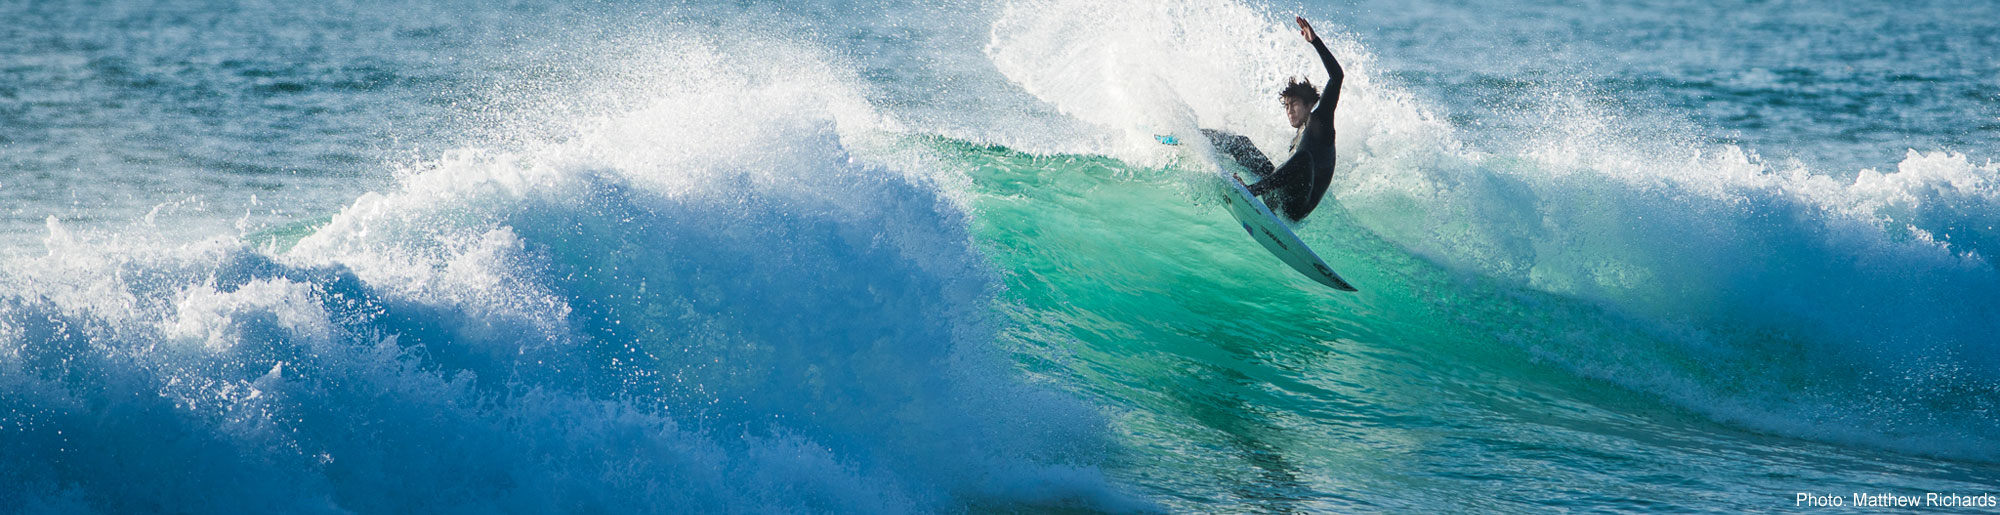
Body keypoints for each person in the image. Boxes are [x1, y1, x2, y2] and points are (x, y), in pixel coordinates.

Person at [1241, 16, 1343, 222]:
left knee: (1304, 159)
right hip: (1280, 197)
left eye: (1294, 104)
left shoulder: (1320, 121)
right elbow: (1283, 175)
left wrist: (1315, 42)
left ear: (1309, 105)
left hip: (1296, 208)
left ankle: (1250, 191)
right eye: (1286, 106)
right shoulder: (1298, 136)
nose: (1289, 111)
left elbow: (1337, 77)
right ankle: (1198, 138)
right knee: (1242, 143)